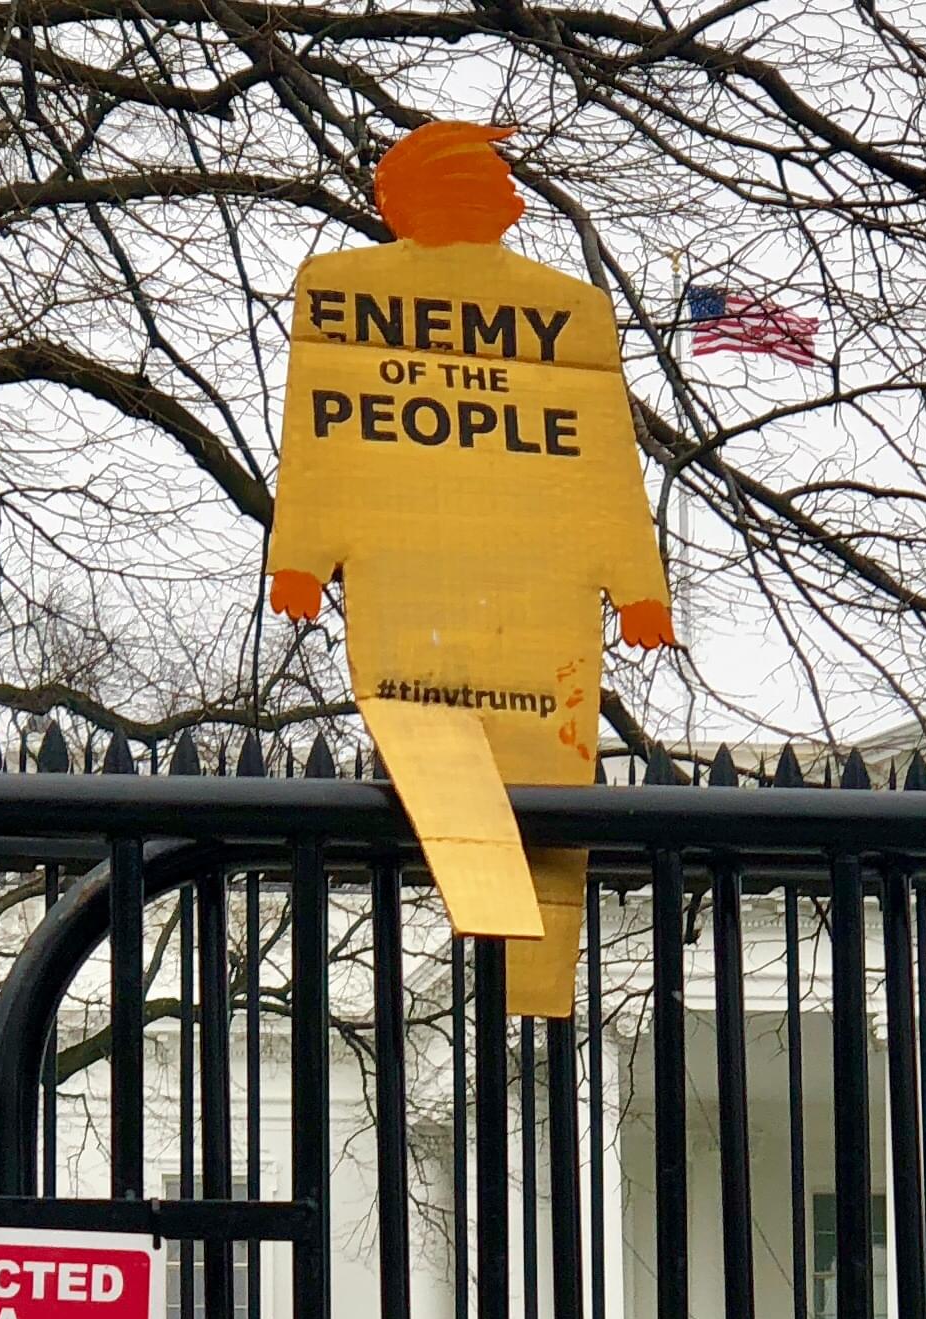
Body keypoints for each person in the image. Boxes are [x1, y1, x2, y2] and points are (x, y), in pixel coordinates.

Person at [267, 120, 672, 1018]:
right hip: (414, 606)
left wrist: (638, 586)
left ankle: (525, 990)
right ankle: (507, 983)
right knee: (454, 780)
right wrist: (300, 559)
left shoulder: (568, 310)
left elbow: (599, 459)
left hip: (538, 615)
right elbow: (328, 438)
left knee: (542, 800)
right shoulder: (343, 291)